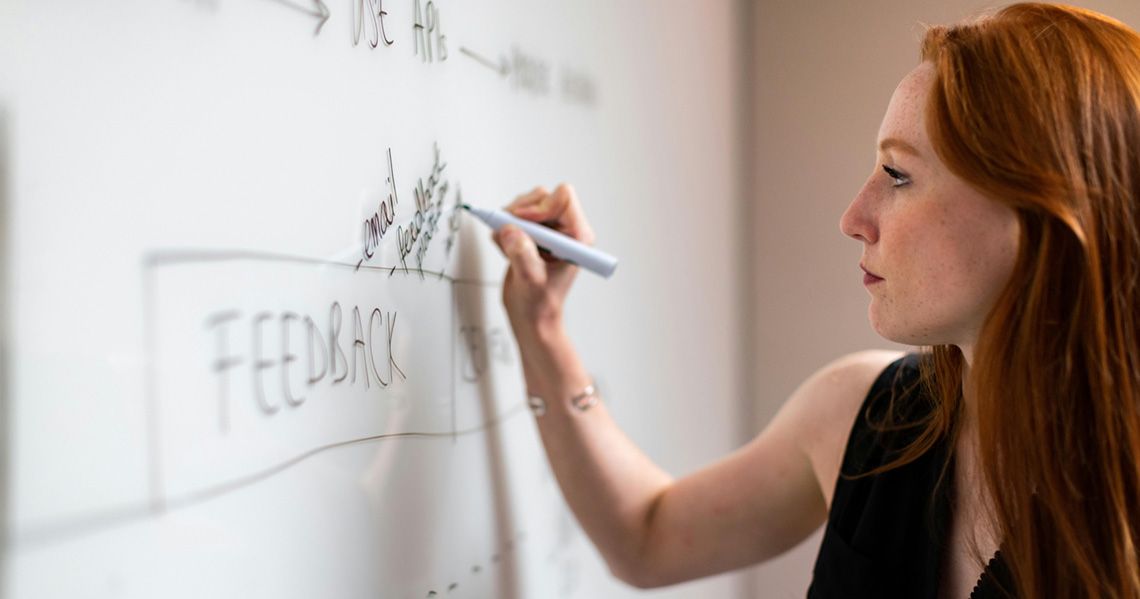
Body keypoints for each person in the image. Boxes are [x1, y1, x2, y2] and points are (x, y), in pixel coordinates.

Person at [491, 3, 1140, 598]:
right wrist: (542, 327)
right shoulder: (869, 417)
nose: (853, 216)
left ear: (1040, 216)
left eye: (898, 174)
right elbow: (646, 536)